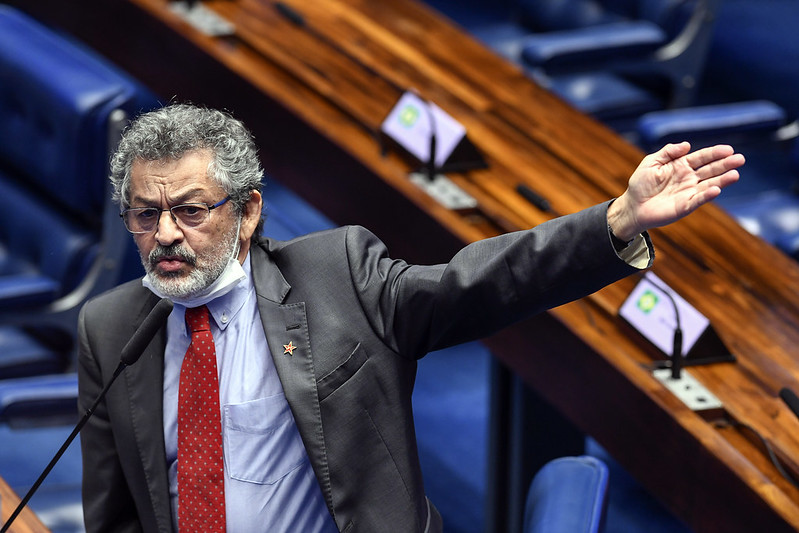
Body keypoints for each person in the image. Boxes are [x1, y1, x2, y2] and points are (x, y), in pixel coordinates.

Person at [77, 103, 744, 533]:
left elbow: (481, 283)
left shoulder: (336, 275)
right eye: (144, 212)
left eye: (190, 210)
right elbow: (117, 516)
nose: (164, 233)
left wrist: (616, 221)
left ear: (247, 211)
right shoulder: (109, 330)